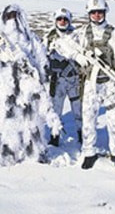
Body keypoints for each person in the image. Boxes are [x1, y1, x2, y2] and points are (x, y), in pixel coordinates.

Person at [0, 4, 61, 166]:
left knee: (31, 122)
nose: (13, 20)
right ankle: (5, 154)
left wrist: (39, 77)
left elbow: (42, 61)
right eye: (9, 16)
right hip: (4, 87)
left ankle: (34, 153)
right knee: (4, 122)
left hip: (27, 88)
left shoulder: (30, 39)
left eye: (16, 16)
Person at [56, 0, 115, 169]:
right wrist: (77, 56)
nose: (97, 15)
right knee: (89, 119)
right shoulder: (81, 33)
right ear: (89, 14)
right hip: (90, 83)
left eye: (100, 12)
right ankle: (89, 152)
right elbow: (60, 44)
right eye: (93, 13)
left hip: (111, 83)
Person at [43, 8, 82, 146]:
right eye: (59, 19)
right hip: (57, 79)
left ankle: (82, 136)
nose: (62, 22)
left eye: (65, 19)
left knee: (78, 110)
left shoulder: (76, 35)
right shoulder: (49, 37)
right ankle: (55, 138)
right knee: (56, 110)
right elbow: (43, 57)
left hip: (74, 79)